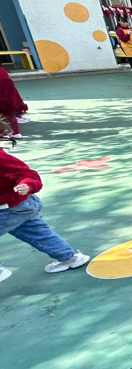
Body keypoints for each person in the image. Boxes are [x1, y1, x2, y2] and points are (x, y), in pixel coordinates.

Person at [0, 119, 90, 283]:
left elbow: (29, 175)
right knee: (37, 233)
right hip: (20, 207)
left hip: (11, 208)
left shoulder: (2, 159)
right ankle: (70, 258)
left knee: (36, 232)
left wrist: (27, 185)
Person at [0, 64, 28, 139]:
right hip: (9, 95)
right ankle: (16, 133)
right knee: (9, 115)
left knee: (7, 115)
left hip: (2, 94)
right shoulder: (2, 69)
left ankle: (3, 133)